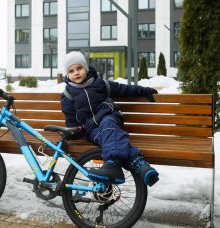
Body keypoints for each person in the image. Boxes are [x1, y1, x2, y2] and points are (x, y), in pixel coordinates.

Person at [61, 51, 159, 186]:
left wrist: (144, 90)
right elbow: (71, 119)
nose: (76, 73)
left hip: (110, 117)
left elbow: (124, 89)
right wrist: (74, 132)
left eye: (79, 68)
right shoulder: (68, 94)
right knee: (110, 138)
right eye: (71, 71)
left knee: (108, 126)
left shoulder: (100, 83)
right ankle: (141, 165)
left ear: (86, 68)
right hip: (92, 129)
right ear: (67, 74)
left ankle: (112, 164)